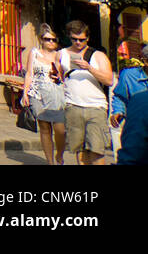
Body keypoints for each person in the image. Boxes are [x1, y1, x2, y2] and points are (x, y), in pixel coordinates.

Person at [59, 20, 115, 165]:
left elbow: (109, 80)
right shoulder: (61, 54)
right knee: (80, 150)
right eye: (74, 39)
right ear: (69, 37)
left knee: (96, 150)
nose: (78, 43)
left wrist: (89, 68)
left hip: (95, 107)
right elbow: (59, 77)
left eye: (82, 40)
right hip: (73, 105)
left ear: (87, 38)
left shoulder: (98, 55)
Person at [21, 23, 67, 165]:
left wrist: (59, 77)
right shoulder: (34, 53)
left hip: (56, 93)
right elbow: (29, 74)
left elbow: (64, 76)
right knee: (45, 128)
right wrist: (25, 93)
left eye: (53, 40)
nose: (51, 42)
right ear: (41, 40)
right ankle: (50, 162)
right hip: (38, 93)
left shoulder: (60, 55)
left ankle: (59, 155)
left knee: (60, 130)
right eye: (47, 39)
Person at [111, 52, 147, 166]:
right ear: (145, 61)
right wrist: (118, 111)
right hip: (136, 129)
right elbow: (120, 97)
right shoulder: (129, 75)